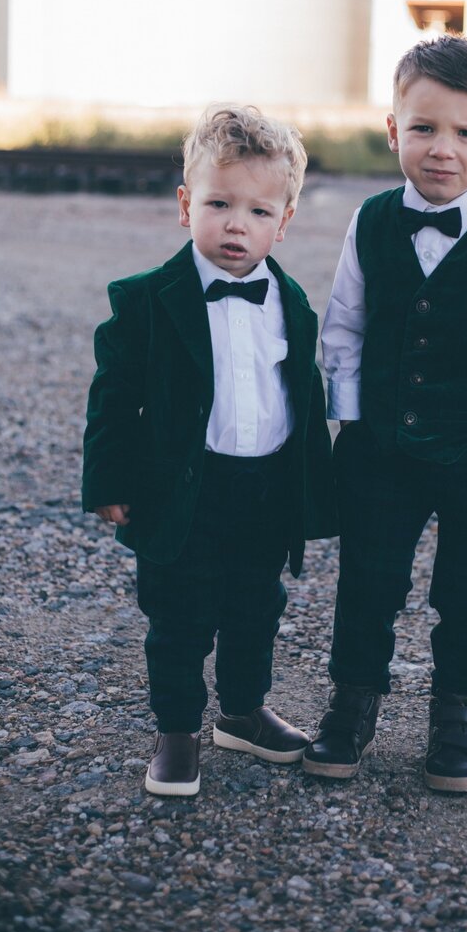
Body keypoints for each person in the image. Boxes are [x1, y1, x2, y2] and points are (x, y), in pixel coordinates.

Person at [303, 36, 467, 792]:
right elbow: (344, 323)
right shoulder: (372, 220)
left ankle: (456, 716)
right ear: (393, 130)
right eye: (423, 128)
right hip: (379, 451)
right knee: (367, 584)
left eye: (466, 133)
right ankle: (351, 706)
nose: (442, 149)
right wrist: (350, 420)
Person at [82, 106, 336, 797]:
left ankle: (244, 712)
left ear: (282, 222)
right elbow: (112, 399)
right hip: (181, 490)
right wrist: (107, 481)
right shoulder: (145, 301)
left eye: (257, 211)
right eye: (219, 204)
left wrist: (318, 490)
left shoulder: (291, 302)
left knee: (258, 607)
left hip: (265, 489)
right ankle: (177, 731)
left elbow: (303, 399)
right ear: (186, 204)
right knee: (179, 616)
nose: (235, 224)